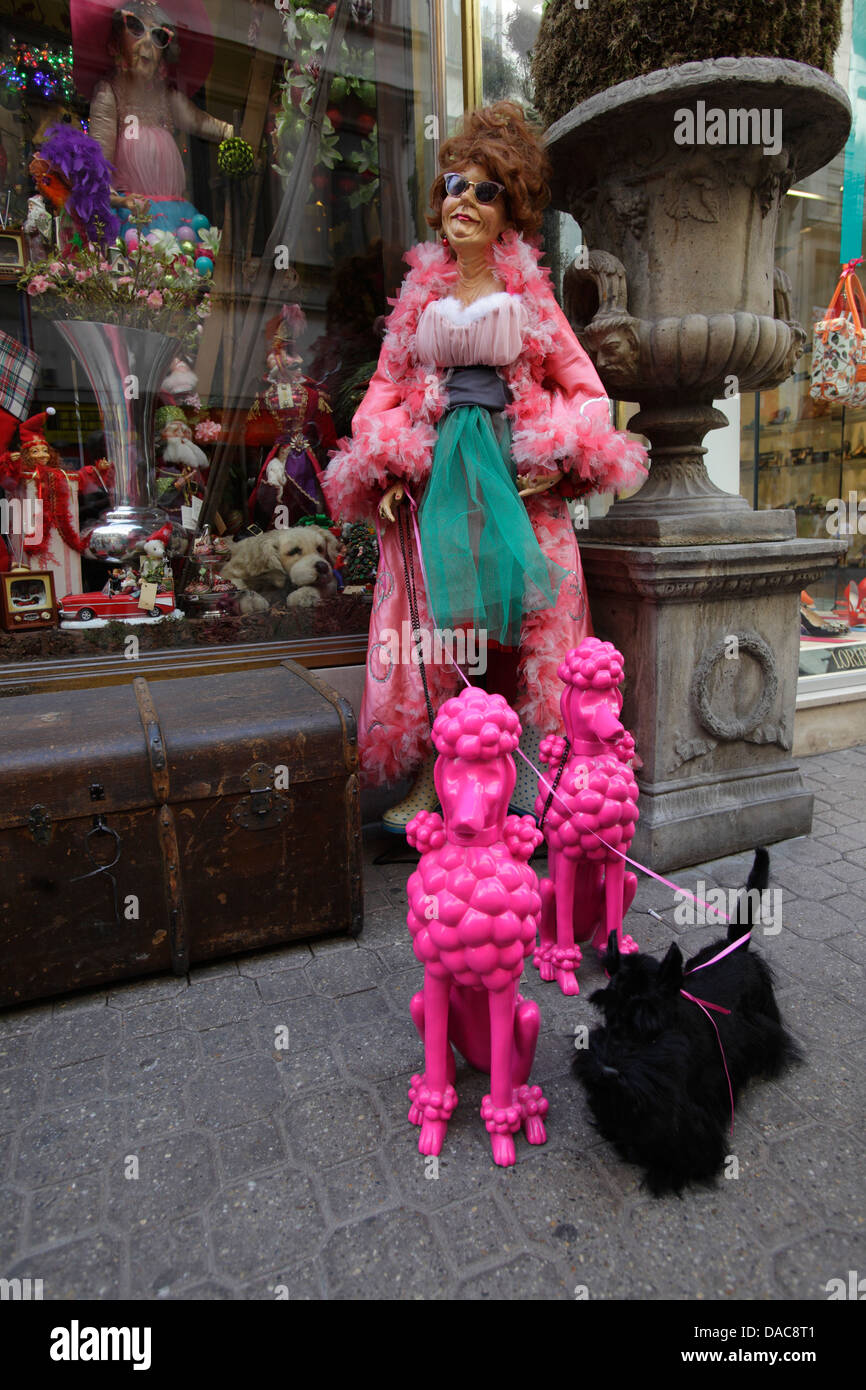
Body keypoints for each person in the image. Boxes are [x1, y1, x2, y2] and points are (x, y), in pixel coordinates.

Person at [323, 102, 647, 826]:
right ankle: (443, 779)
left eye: (483, 191)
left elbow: (587, 391)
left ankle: (535, 777)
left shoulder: (530, 295)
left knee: (531, 627)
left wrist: (554, 451)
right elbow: (381, 396)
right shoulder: (419, 299)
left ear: (512, 210)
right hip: (440, 489)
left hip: (517, 489)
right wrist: (389, 461)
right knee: (444, 634)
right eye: (451, 187)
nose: (461, 202)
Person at [71, 0, 231, 235]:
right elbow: (98, 173)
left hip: (178, 219)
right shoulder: (109, 92)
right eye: (135, 27)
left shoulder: (167, 96)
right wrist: (121, 202)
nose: (147, 41)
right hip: (134, 220)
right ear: (116, 38)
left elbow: (201, 123)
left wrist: (237, 135)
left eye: (159, 36)